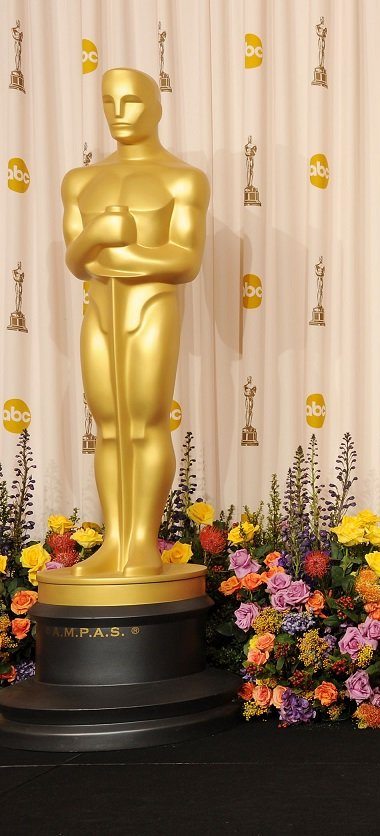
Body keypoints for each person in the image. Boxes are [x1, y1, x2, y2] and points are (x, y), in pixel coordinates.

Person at [61, 68, 209, 576]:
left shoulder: (182, 178)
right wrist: (99, 232)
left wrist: (114, 256)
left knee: (145, 422)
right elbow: (76, 260)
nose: (119, 114)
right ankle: (114, 542)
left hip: (151, 309)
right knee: (108, 426)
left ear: (155, 106)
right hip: (100, 310)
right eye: (109, 102)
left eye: (131, 102)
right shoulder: (81, 180)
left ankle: (142, 543)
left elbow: (185, 260)